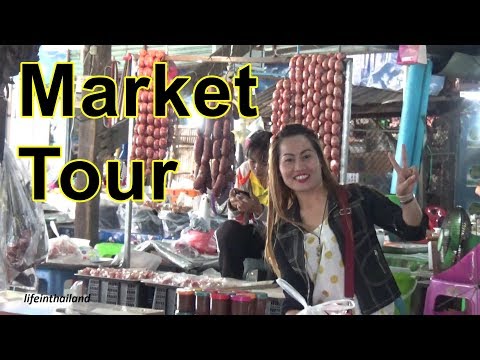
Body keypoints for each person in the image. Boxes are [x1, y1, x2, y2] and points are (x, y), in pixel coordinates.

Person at [265, 124, 428, 315]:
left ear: (319, 159)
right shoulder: (283, 230)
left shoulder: (357, 198)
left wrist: (406, 198)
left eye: (306, 156)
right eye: (289, 160)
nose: (299, 167)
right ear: (278, 169)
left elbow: (413, 230)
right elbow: (294, 295)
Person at [215, 130, 273, 279]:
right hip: (255, 235)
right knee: (226, 231)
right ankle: (230, 283)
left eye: (264, 163)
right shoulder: (244, 171)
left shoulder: (281, 174)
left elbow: (286, 220)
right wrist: (234, 205)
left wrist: (258, 209)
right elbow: (235, 218)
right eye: (253, 161)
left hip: (278, 237)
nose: (257, 168)